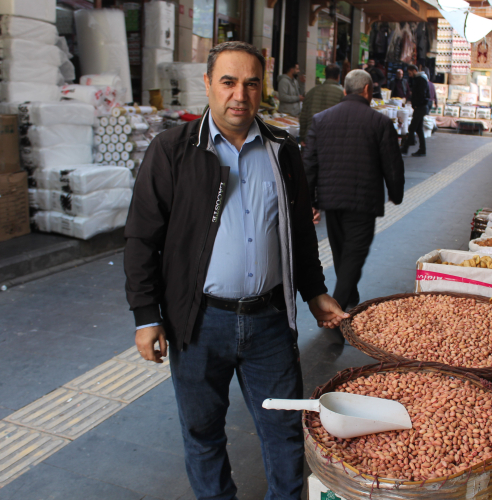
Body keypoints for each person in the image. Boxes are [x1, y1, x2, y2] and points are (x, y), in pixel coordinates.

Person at [124, 41, 348, 500]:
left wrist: (315, 292)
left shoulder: (284, 151)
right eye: (228, 82)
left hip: (268, 322)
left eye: (250, 83)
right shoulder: (172, 151)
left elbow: (299, 236)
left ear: (261, 88)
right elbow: (142, 237)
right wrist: (146, 315)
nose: (239, 95)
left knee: (284, 430)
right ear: (207, 85)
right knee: (203, 433)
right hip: (200, 322)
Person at [303, 70, 405, 311]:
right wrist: (396, 193)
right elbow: (392, 163)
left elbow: (309, 163)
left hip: (331, 199)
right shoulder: (379, 122)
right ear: (367, 90)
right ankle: (335, 310)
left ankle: (349, 296)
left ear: (345, 90)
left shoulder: (321, 120)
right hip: (363, 201)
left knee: (341, 252)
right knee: (353, 255)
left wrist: (309, 202)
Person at [299, 64, 344, 145]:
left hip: (311, 137)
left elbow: (303, 118)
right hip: (331, 140)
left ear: (325, 75)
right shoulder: (342, 94)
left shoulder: (311, 92)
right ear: (338, 77)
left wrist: (302, 137)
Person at [400, 64, 430, 157]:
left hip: (420, 107)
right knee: (418, 129)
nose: (409, 75)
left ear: (414, 71)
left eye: (409, 73)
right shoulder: (419, 79)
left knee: (412, 127)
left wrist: (417, 104)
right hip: (420, 107)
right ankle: (422, 149)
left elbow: (421, 94)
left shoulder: (420, 79)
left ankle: (405, 148)